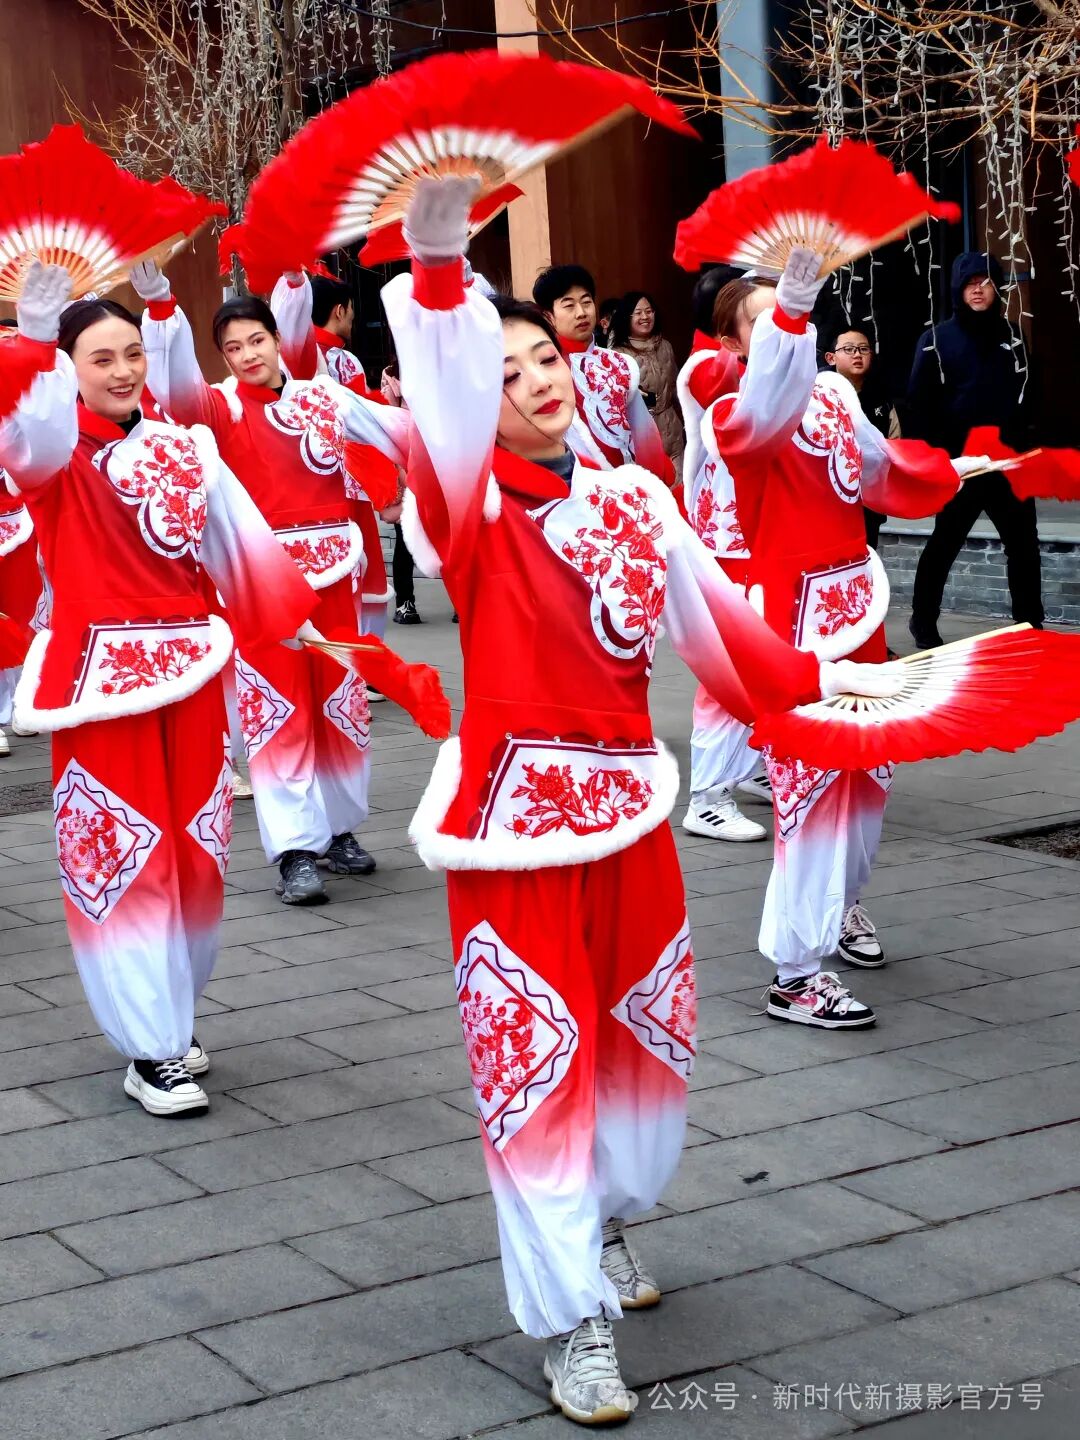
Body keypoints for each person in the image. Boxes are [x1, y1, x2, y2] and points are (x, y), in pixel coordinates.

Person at [388, 176, 900, 1424]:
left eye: (542, 358)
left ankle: (607, 1222)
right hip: (512, 832)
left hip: (630, 814)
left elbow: (728, 643)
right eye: (501, 371)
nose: (534, 381)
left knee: (642, 1042)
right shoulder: (462, 507)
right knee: (535, 1059)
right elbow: (441, 409)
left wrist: (852, 684)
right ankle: (570, 1321)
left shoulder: (631, 497)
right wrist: (440, 265)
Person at [0, 262, 317, 1115]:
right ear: (67, 369)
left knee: (197, 855)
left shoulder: (184, 445)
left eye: (132, 353)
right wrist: (34, 340)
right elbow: (25, 438)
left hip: (191, 677)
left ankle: (173, 1015)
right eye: (100, 358)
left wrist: (310, 630)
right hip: (100, 689)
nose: (122, 371)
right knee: (125, 856)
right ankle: (149, 1048)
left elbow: (238, 547)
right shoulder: (52, 454)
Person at [708, 250, 981, 1030]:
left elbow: (877, 470)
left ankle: (843, 903)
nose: (784, 332)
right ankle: (795, 971)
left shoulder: (832, 392)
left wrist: (950, 472)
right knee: (811, 795)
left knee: (869, 778)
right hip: (794, 634)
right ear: (734, 345)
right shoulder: (735, 414)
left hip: (857, 611)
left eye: (791, 317)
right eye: (764, 324)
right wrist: (793, 309)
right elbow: (765, 410)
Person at [134, 260, 409, 905]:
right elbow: (175, 390)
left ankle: (339, 830)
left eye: (256, 339)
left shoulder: (322, 397)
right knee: (277, 711)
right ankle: (293, 849)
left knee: (340, 706)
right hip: (259, 584)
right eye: (232, 348)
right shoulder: (218, 406)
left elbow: (397, 431)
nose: (247, 355)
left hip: (335, 578)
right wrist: (160, 308)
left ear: (277, 337)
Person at [906, 251, 1043, 649]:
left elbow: (1029, 395)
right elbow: (919, 403)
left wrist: (1026, 448)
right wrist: (937, 462)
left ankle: (1029, 623)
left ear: (997, 288)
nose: (978, 290)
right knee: (944, 543)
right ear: (957, 289)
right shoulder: (936, 340)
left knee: (1024, 546)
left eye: (985, 282)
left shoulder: (1012, 337)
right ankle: (923, 621)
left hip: (1008, 463)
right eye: (969, 284)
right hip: (961, 465)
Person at [677, 270, 767, 842]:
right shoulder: (708, 368)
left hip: (760, 540)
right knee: (726, 672)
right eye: (761, 317)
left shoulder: (744, 365)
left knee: (763, 664)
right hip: (727, 545)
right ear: (727, 329)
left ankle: (752, 764)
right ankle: (707, 797)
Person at [301, 275, 396, 641]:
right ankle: (365, 652)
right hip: (349, 480)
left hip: (307, 485)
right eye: (351, 311)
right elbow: (363, 425)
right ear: (339, 311)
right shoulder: (343, 360)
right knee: (364, 571)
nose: (353, 318)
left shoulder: (289, 360)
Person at [532, 263, 672, 483]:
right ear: (549, 316)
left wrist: (655, 475)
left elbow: (641, 427)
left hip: (631, 480)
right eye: (569, 305)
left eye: (586, 302)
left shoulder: (619, 363)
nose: (581, 312)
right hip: (577, 484)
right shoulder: (542, 373)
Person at [823, 323, 900, 550]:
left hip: (868, 496)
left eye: (863, 349)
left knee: (867, 554)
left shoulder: (881, 397)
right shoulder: (818, 394)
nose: (857, 355)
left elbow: (893, 443)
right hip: (827, 496)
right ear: (831, 358)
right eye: (848, 349)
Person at [608, 291, 684, 473]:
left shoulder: (666, 346)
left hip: (672, 430)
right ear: (627, 317)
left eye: (649, 311)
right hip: (642, 435)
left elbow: (675, 389)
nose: (645, 317)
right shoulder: (617, 356)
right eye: (638, 313)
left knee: (680, 483)